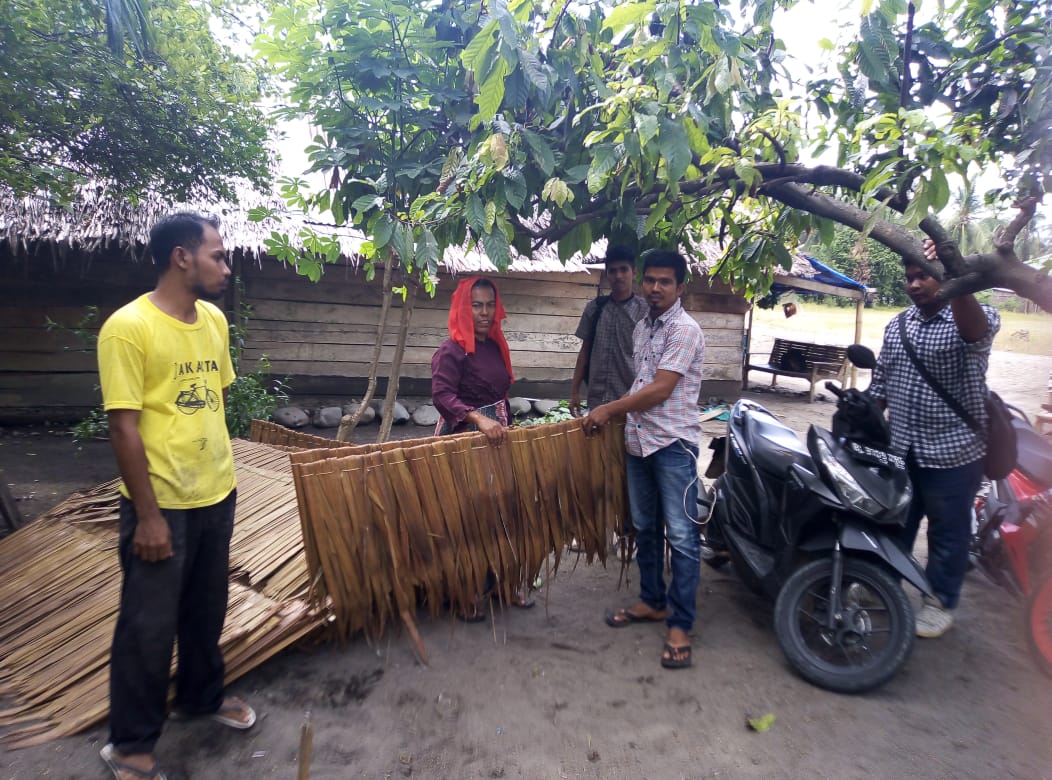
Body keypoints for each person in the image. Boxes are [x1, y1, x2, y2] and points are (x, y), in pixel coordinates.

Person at [97, 213, 255, 780]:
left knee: (205, 609)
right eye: (217, 255)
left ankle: (200, 697)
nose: (226, 266)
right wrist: (147, 517)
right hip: (160, 504)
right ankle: (131, 744)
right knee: (147, 625)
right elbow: (123, 426)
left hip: (216, 491)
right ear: (181, 258)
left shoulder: (212, 320)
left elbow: (212, 399)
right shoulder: (128, 328)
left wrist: (223, 475)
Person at [869, 239, 1000, 638]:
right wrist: (864, 417)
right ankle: (885, 585)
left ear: (945, 276)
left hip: (954, 452)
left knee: (948, 531)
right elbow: (882, 383)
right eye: (909, 277)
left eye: (923, 275)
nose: (914, 284)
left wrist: (951, 271)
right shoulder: (898, 325)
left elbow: (974, 333)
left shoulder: (979, 318)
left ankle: (940, 599)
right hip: (903, 449)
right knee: (895, 524)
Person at [585, 250, 706, 669]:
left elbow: (660, 390)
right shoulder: (643, 328)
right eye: (650, 280)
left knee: (685, 539)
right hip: (638, 443)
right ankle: (653, 600)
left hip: (673, 445)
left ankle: (681, 624)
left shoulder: (685, 330)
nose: (655, 288)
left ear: (680, 287)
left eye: (664, 282)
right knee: (645, 529)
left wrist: (608, 409)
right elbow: (642, 382)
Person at [431, 276, 533, 619]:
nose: (485, 312)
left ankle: (501, 584)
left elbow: (500, 392)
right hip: (464, 442)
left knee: (503, 513)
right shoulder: (451, 351)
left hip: (498, 438)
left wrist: (504, 424)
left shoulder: (494, 346)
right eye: (476, 305)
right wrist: (479, 420)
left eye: (490, 304)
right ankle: (466, 591)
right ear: (463, 307)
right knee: (468, 519)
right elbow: (442, 395)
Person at [569, 244, 648, 418]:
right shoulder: (595, 308)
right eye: (613, 271)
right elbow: (585, 351)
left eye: (623, 270)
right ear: (606, 274)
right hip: (597, 400)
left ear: (634, 272)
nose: (618, 275)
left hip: (629, 401)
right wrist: (575, 391)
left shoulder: (645, 311)